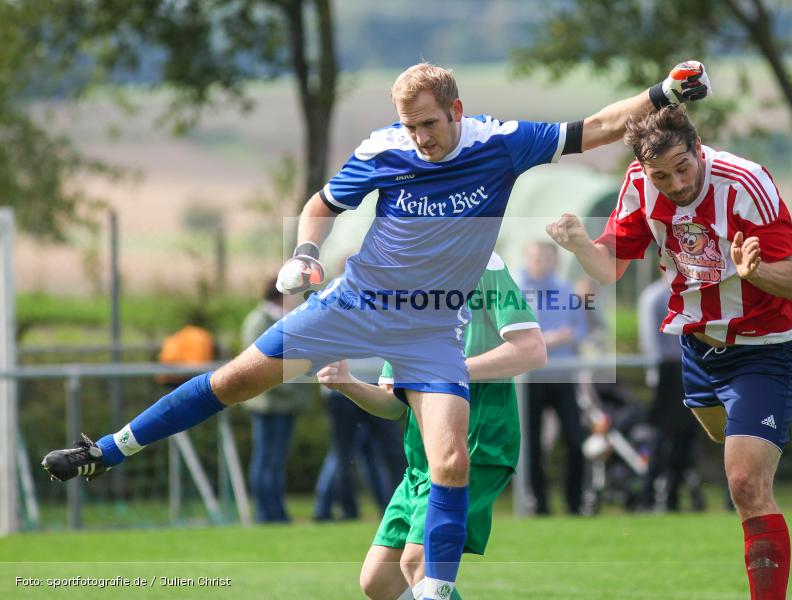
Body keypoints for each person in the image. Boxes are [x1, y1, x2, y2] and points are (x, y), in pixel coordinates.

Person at [42, 60, 710, 599]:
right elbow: (320, 206)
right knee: (233, 380)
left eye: (427, 123)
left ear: (455, 111)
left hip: (428, 329)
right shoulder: (385, 150)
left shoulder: (502, 142)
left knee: (449, 459)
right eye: (409, 126)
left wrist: (662, 91)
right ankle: (105, 450)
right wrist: (305, 253)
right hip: (356, 302)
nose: (419, 137)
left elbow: (595, 126)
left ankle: (438, 593)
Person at [545, 106, 792, 599]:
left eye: (683, 167)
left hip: (762, 345)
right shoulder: (639, 183)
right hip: (697, 346)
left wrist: (753, 273)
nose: (675, 182)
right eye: (661, 174)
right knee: (721, 436)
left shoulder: (745, 183)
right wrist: (578, 246)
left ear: (698, 148)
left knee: (744, 483)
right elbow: (609, 268)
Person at [317, 252, 545, 600]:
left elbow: (531, 351)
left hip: (473, 446)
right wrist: (346, 383)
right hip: (422, 461)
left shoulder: (483, 262)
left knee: (417, 562)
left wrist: (449, 369)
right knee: (379, 582)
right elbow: (395, 405)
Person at [518, 240, 588, 515]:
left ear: (555, 261)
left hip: (562, 376)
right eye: (535, 257)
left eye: (546, 258)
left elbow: (579, 330)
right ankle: (539, 504)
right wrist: (545, 340)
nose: (540, 262)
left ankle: (575, 502)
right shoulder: (514, 290)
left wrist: (561, 339)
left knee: (575, 439)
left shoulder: (564, 289)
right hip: (529, 378)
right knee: (531, 444)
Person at [241, 277, 311, 523]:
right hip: (268, 404)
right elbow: (256, 366)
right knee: (265, 460)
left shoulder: (283, 318)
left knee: (275, 461)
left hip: (285, 404)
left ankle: (277, 512)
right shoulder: (258, 321)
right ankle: (266, 513)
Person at [638, 272, 704, 512]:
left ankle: (672, 495)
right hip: (668, 373)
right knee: (660, 438)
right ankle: (647, 494)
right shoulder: (655, 296)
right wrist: (656, 376)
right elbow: (651, 341)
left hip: (690, 370)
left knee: (685, 438)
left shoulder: (693, 293)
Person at [312, 386, 405, 521]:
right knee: (343, 456)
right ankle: (345, 510)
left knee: (389, 453)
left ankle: (397, 506)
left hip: (377, 390)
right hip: (343, 392)